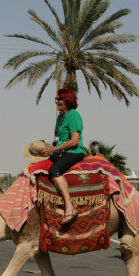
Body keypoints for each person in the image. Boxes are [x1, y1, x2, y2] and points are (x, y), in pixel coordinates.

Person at [40, 88, 85, 224]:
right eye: (56, 99)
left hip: (74, 152)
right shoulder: (60, 117)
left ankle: (69, 207)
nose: (56, 101)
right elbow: (57, 140)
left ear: (67, 100)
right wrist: (46, 149)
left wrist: (54, 150)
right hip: (60, 151)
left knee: (54, 171)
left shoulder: (74, 115)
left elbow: (74, 140)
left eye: (59, 99)